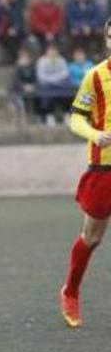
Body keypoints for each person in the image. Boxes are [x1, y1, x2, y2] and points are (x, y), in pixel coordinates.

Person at [60, 18, 111, 328]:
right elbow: (76, 119)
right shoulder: (95, 77)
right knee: (92, 236)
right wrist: (94, 135)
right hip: (104, 169)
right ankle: (71, 291)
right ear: (107, 39)